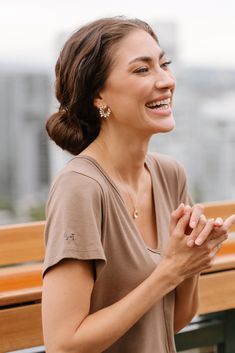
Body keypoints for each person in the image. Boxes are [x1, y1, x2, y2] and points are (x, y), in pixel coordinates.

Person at [42, 17, 235, 353]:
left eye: (164, 64)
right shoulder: (81, 187)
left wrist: (191, 262)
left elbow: (173, 320)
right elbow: (64, 344)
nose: (166, 81)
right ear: (98, 95)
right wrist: (170, 270)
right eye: (142, 70)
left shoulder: (170, 174)